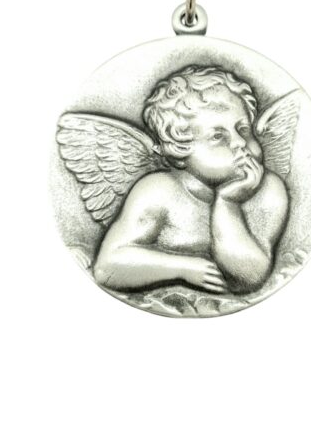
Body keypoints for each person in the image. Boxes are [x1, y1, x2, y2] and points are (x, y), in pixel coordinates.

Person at [93, 66, 288, 294]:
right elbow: (107, 267)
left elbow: (251, 277)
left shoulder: (268, 189)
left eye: (243, 129)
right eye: (218, 136)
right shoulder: (157, 191)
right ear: (180, 148)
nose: (240, 143)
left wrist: (228, 203)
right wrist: (182, 268)